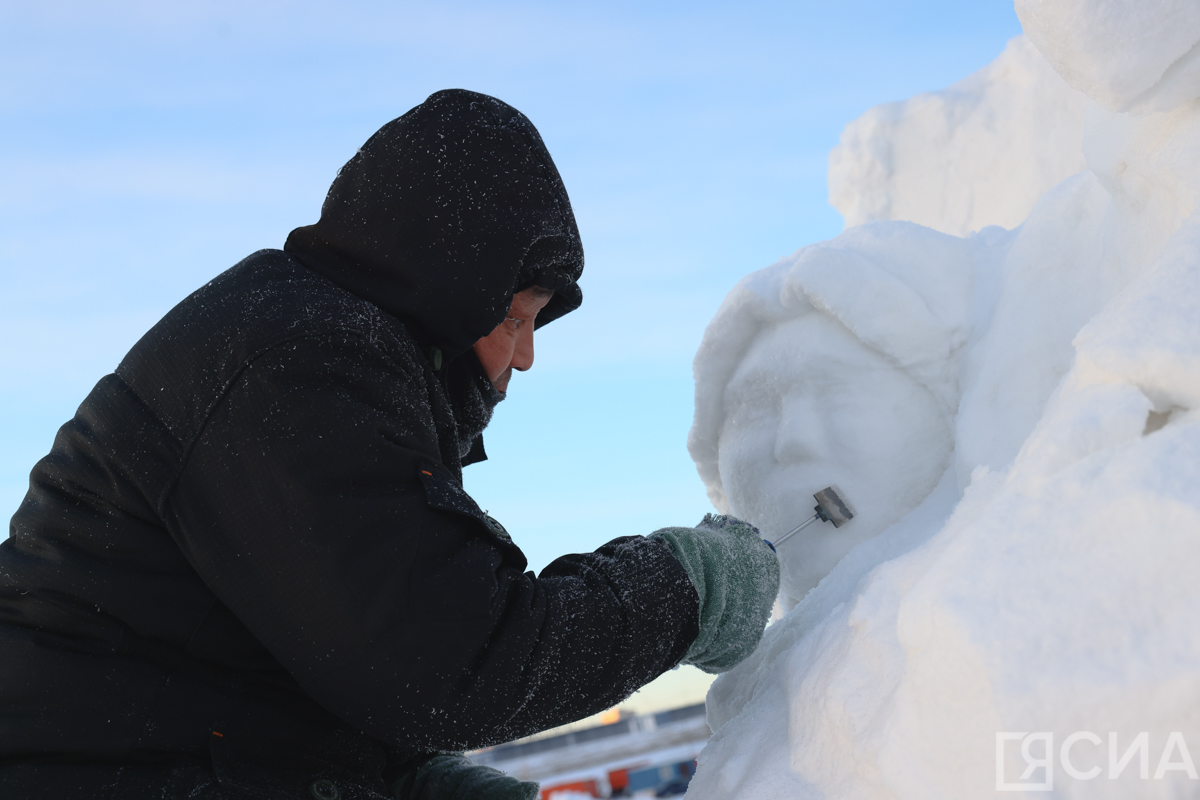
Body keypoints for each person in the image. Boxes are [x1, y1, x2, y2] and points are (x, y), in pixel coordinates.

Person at [0, 90, 778, 799]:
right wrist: (687, 589)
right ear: (454, 279)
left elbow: (293, 659)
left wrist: (402, 778)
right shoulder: (295, 360)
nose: (528, 354)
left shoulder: (313, 351)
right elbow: (455, 665)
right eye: (517, 315)